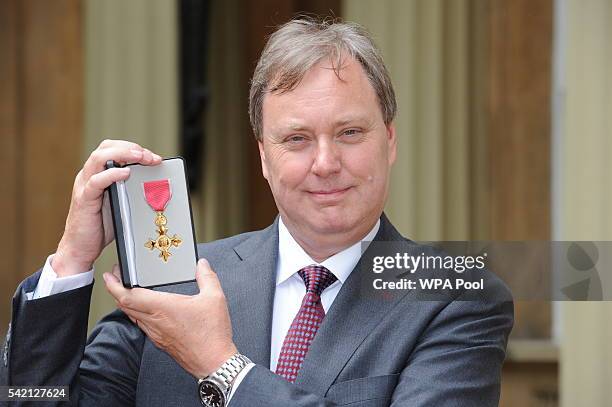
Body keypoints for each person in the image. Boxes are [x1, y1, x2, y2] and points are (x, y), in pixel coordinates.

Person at [1, 18, 513, 406]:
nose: (326, 163)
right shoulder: (176, 284)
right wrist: (72, 258)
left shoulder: (457, 297)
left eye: (350, 133)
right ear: (264, 158)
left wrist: (220, 365)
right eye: (296, 139)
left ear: (390, 141)